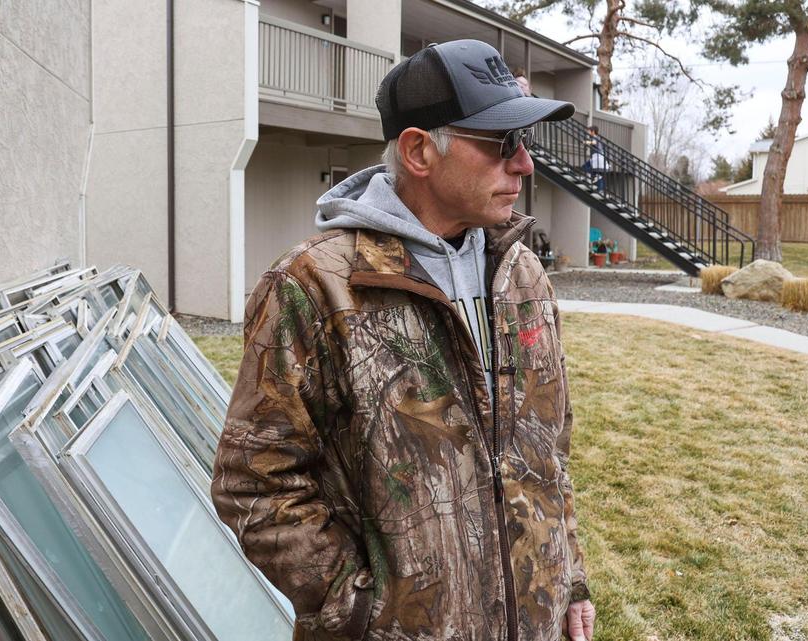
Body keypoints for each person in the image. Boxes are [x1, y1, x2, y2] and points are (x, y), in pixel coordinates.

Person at [211, 39, 596, 641]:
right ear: (419, 151)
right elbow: (253, 480)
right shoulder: (316, 287)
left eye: (525, 144)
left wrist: (567, 579)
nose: (523, 164)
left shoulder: (523, 272)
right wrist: (365, 608)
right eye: (501, 144)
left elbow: (550, 447)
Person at [582, 125, 607, 190]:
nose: (588, 132)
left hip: (597, 157)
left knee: (585, 167)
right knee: (598, 173)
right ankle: (599, 189)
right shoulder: (596, 137)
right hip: (597, 157)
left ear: (593, 131)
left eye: (589, 131)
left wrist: (587, 142)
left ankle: (590, 177)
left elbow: (594, 142)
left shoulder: (595, 137)